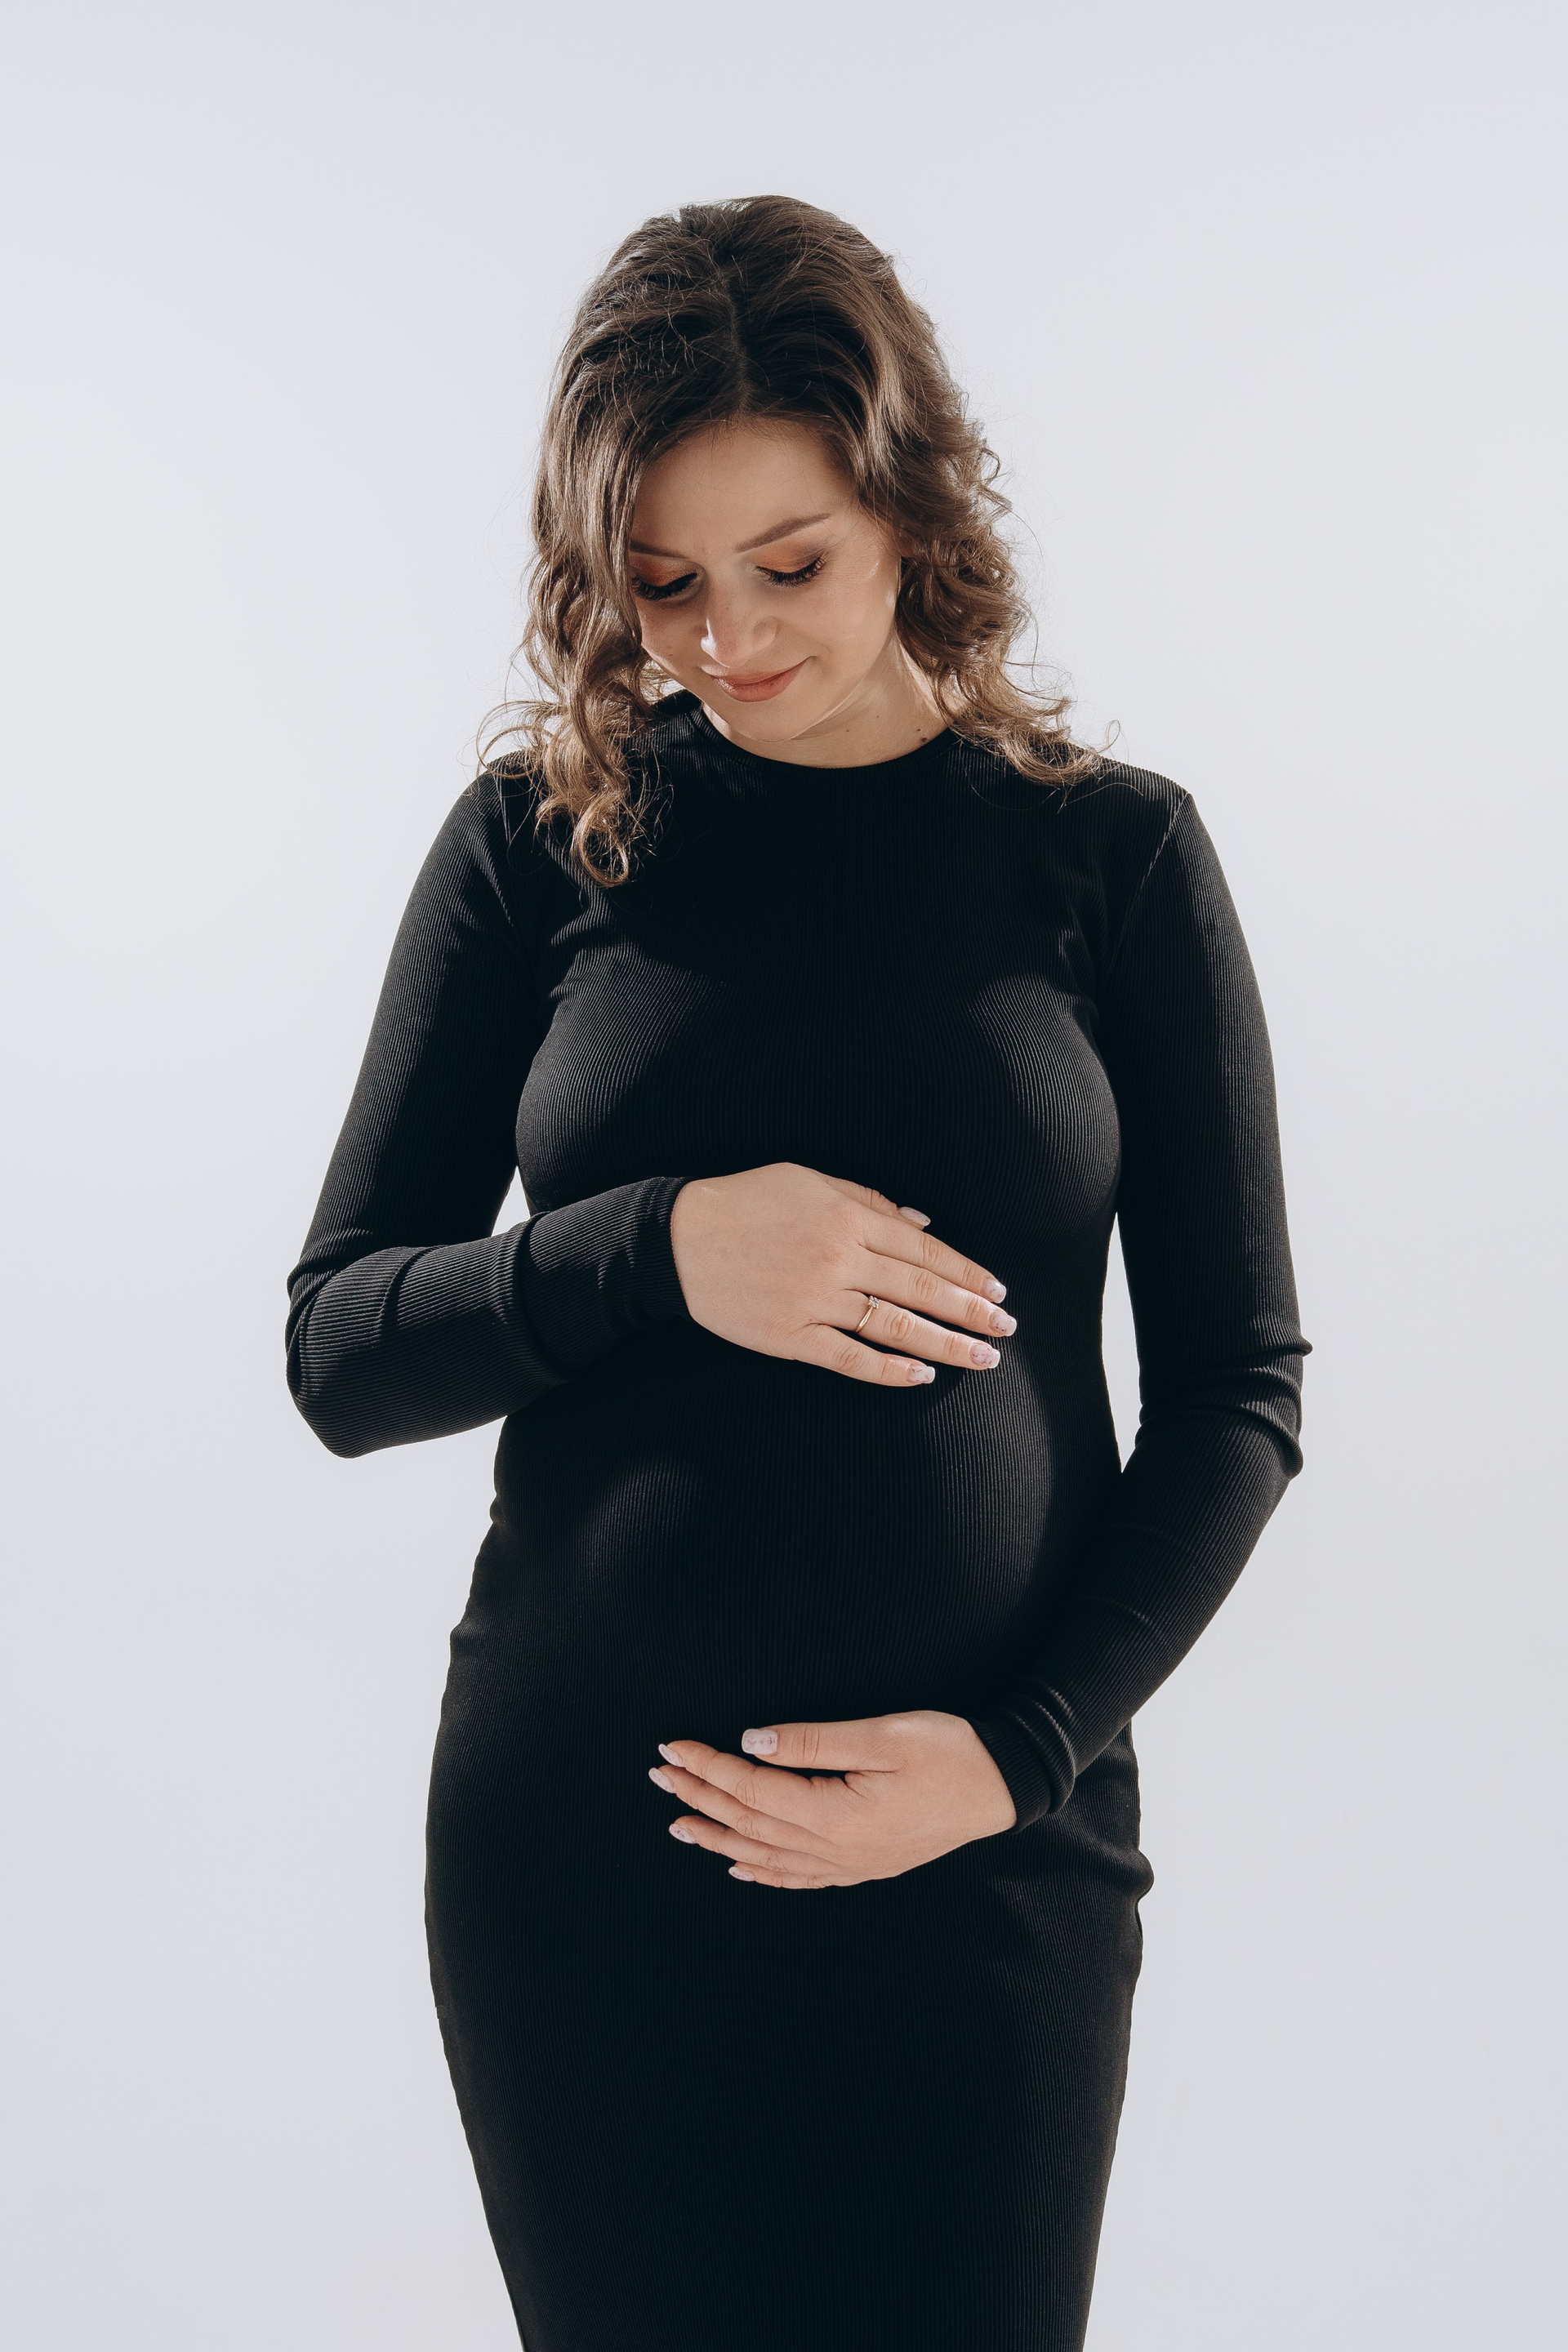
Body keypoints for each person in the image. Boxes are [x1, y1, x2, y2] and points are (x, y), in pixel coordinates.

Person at [286, 193, 1308, 2352]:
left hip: (987, 1852)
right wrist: (658, 1247)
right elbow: (344, 1347)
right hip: (588, 1855)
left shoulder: (1108, 854)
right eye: (662, 583)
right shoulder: (536, 849)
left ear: (912, 510)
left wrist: (1015, 1754)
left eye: (790, 565)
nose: (729, 641)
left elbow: (1239, 1393)